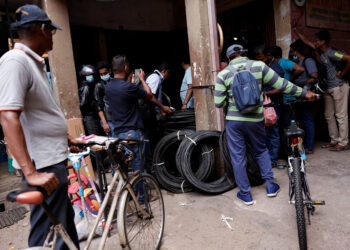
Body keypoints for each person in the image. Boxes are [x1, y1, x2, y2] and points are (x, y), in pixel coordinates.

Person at [0, 5, 81, 249]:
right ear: (44, 29)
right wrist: (31, 172)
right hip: (42, 165)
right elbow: (7, 116)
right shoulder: (15, 61)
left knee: (64, 227)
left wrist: (66, 138)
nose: (52, 38)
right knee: (46, 232)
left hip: (52, 160)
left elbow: (39, 114)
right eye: (52, 32)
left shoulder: (34, 63)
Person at [214, 44, 318, 205]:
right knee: (261, 150)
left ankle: (245, 194)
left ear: (228, 58)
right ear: (244, 54)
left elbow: (219, 103)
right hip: (256, 119)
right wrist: (305, 92)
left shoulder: (223, 74)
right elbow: (282, 84)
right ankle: (270, 186)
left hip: (235, 122)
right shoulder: (259, 66)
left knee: (238, 156)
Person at [105, 55, 171, 174]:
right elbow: (149, 94)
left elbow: (127, 94)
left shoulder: (108, 86)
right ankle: (142, 193)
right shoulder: (128, 87)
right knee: (138, 168)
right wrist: (142, 79)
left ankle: (128, 191)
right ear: (126, 68)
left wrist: (132, 84)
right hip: (132, 132)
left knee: (123, 166)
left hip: (118, 132)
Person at [294, 28, 350, 151]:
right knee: (328, 115)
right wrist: (296, 30)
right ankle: (334, 140)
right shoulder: (320, 51)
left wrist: (342, 74)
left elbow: (349, 58)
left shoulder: (331, 53)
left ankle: (343, 142)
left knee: (341, 115)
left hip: (339, 86)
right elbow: (307, 41)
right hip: (328, 88)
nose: (314, 42)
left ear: (323, 41)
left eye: (317, 40)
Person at [268, 45, 305, 157]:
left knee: (287, 129)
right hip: (282, 101)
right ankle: (286, 153)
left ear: (271, 56)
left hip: (288, 100)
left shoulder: (283, 63)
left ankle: (290, 154)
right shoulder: (274, 64)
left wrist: (290, 81)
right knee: (283, 128)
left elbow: (300, 69)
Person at [254, 45, 284, 167]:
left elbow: (281, 89)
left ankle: (272, 160)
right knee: (264, 133)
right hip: (264, 105)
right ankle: (266, 158)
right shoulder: (263, 67)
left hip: (274, 106)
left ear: (268, 56)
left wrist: (264, 93)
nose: (260, 62)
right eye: (258, 60)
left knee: (273, 133)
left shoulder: (277, 69)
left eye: (262, 59)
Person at [290, 39, 318, 154]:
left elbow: (314, 77)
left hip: (306, 94)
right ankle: (305, 144)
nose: (291, 55)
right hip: (300, 95)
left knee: (307, 119)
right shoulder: (299, 63)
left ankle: (309, 146)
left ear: (296, 52)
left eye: (291, 52)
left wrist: (298, 84)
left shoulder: (308, 61)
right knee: (303, 119)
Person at [78, 65, 102, 136]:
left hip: (93, 115)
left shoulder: (91, 85)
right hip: (89, 116)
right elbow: (83, 104)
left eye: (91, 75)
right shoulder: (86, 87)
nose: (90, 76)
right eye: (88, 75)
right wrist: (94, 104)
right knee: (94, 137)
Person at [95, 61, 114, 137]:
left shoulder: (115, 81)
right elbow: (98, 106)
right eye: (101, 74)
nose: (103, 76)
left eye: (105, 73)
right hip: (108, 120)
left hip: (118, 118)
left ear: (110, 71)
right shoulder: (99, 86)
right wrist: (104, 123)